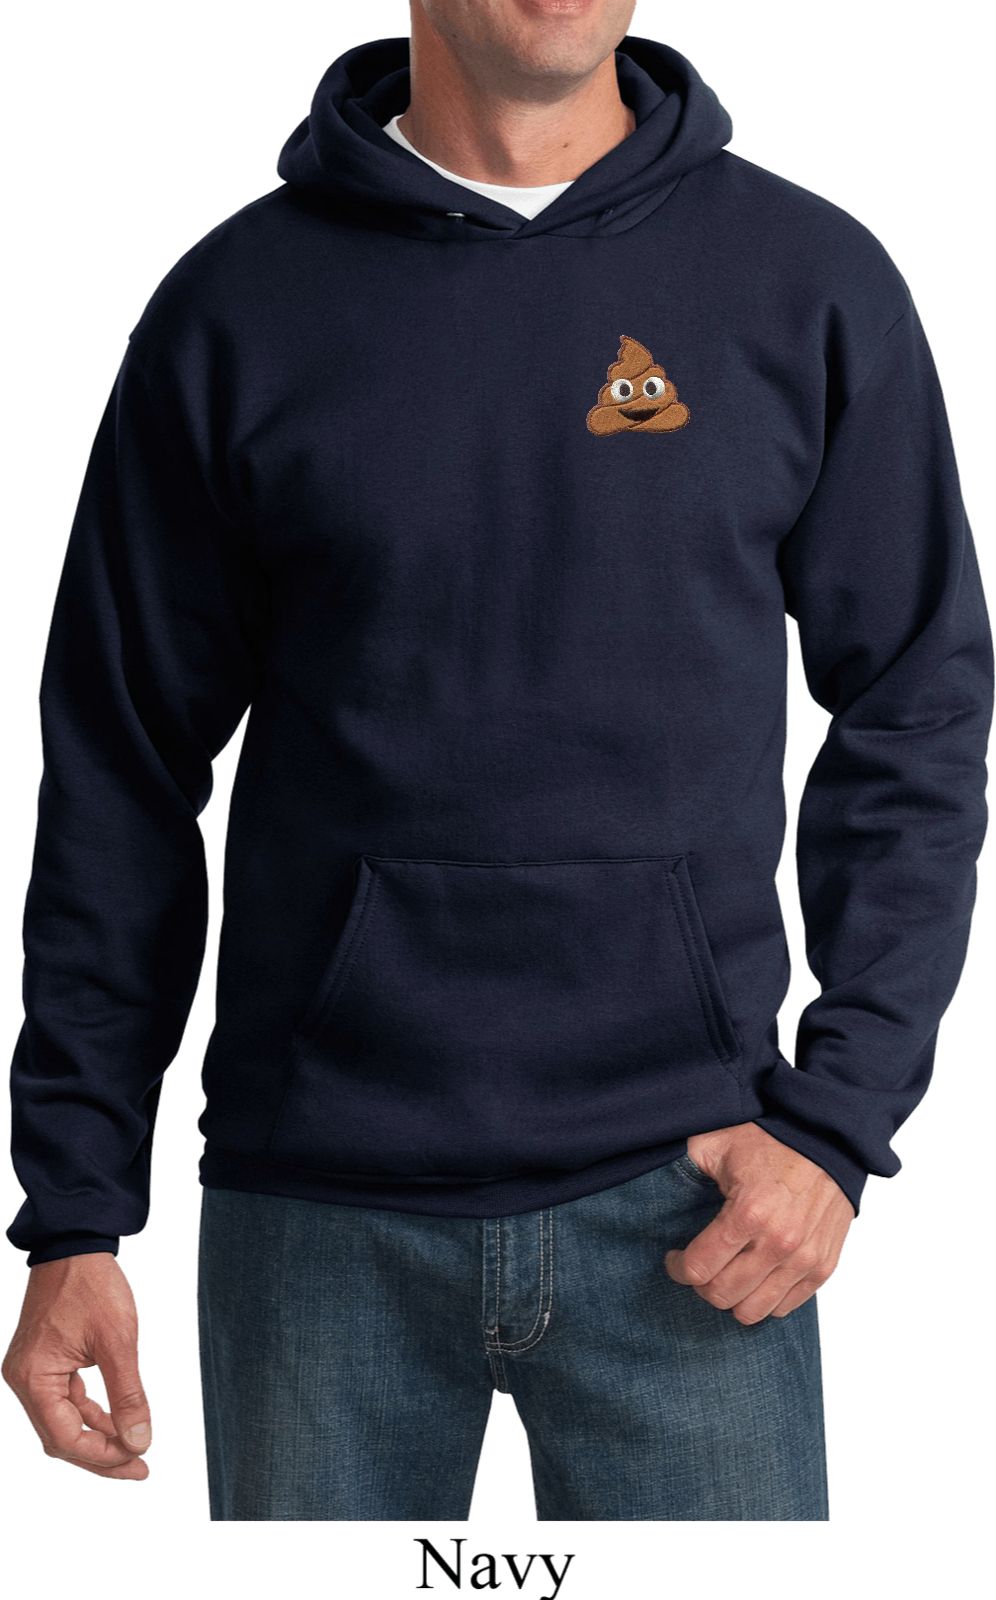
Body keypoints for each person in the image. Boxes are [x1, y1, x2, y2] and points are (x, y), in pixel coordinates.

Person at [3, 0, 991, 1522]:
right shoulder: (236, 308)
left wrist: (839, 1125)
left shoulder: (805, 281)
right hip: (316, 1218)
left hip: (698, 1200)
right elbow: (120, 769)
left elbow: (918, 703)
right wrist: (75, 1209)